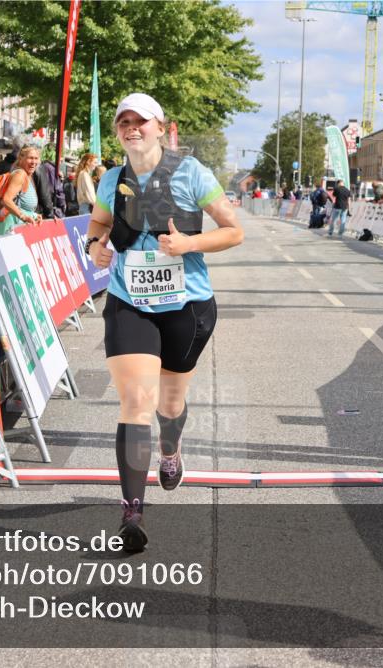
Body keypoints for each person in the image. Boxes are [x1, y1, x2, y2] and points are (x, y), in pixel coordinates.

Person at [83, 93, 242, 551]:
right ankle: (132, 511)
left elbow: (234, 231)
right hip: (128, 301)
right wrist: (94, 247)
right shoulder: (112, 179)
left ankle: (170, 449)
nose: (131, 128)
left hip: (187, 305)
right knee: (136, 399)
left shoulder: (192, 173)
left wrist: (189, 246)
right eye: (123, 122)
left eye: (140, 121)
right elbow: (97, 227)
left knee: (169, 405)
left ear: (159, 126)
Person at [0, 145, 43, 236]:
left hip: (15, 231)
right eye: (30, 158)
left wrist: (34, 215)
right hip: (8, 231)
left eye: (36, 158)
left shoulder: (28, 176)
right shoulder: (20, 175)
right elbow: (6, 200)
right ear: (21, 158)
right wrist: (23, 216)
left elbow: (21, 205)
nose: (34, 162)